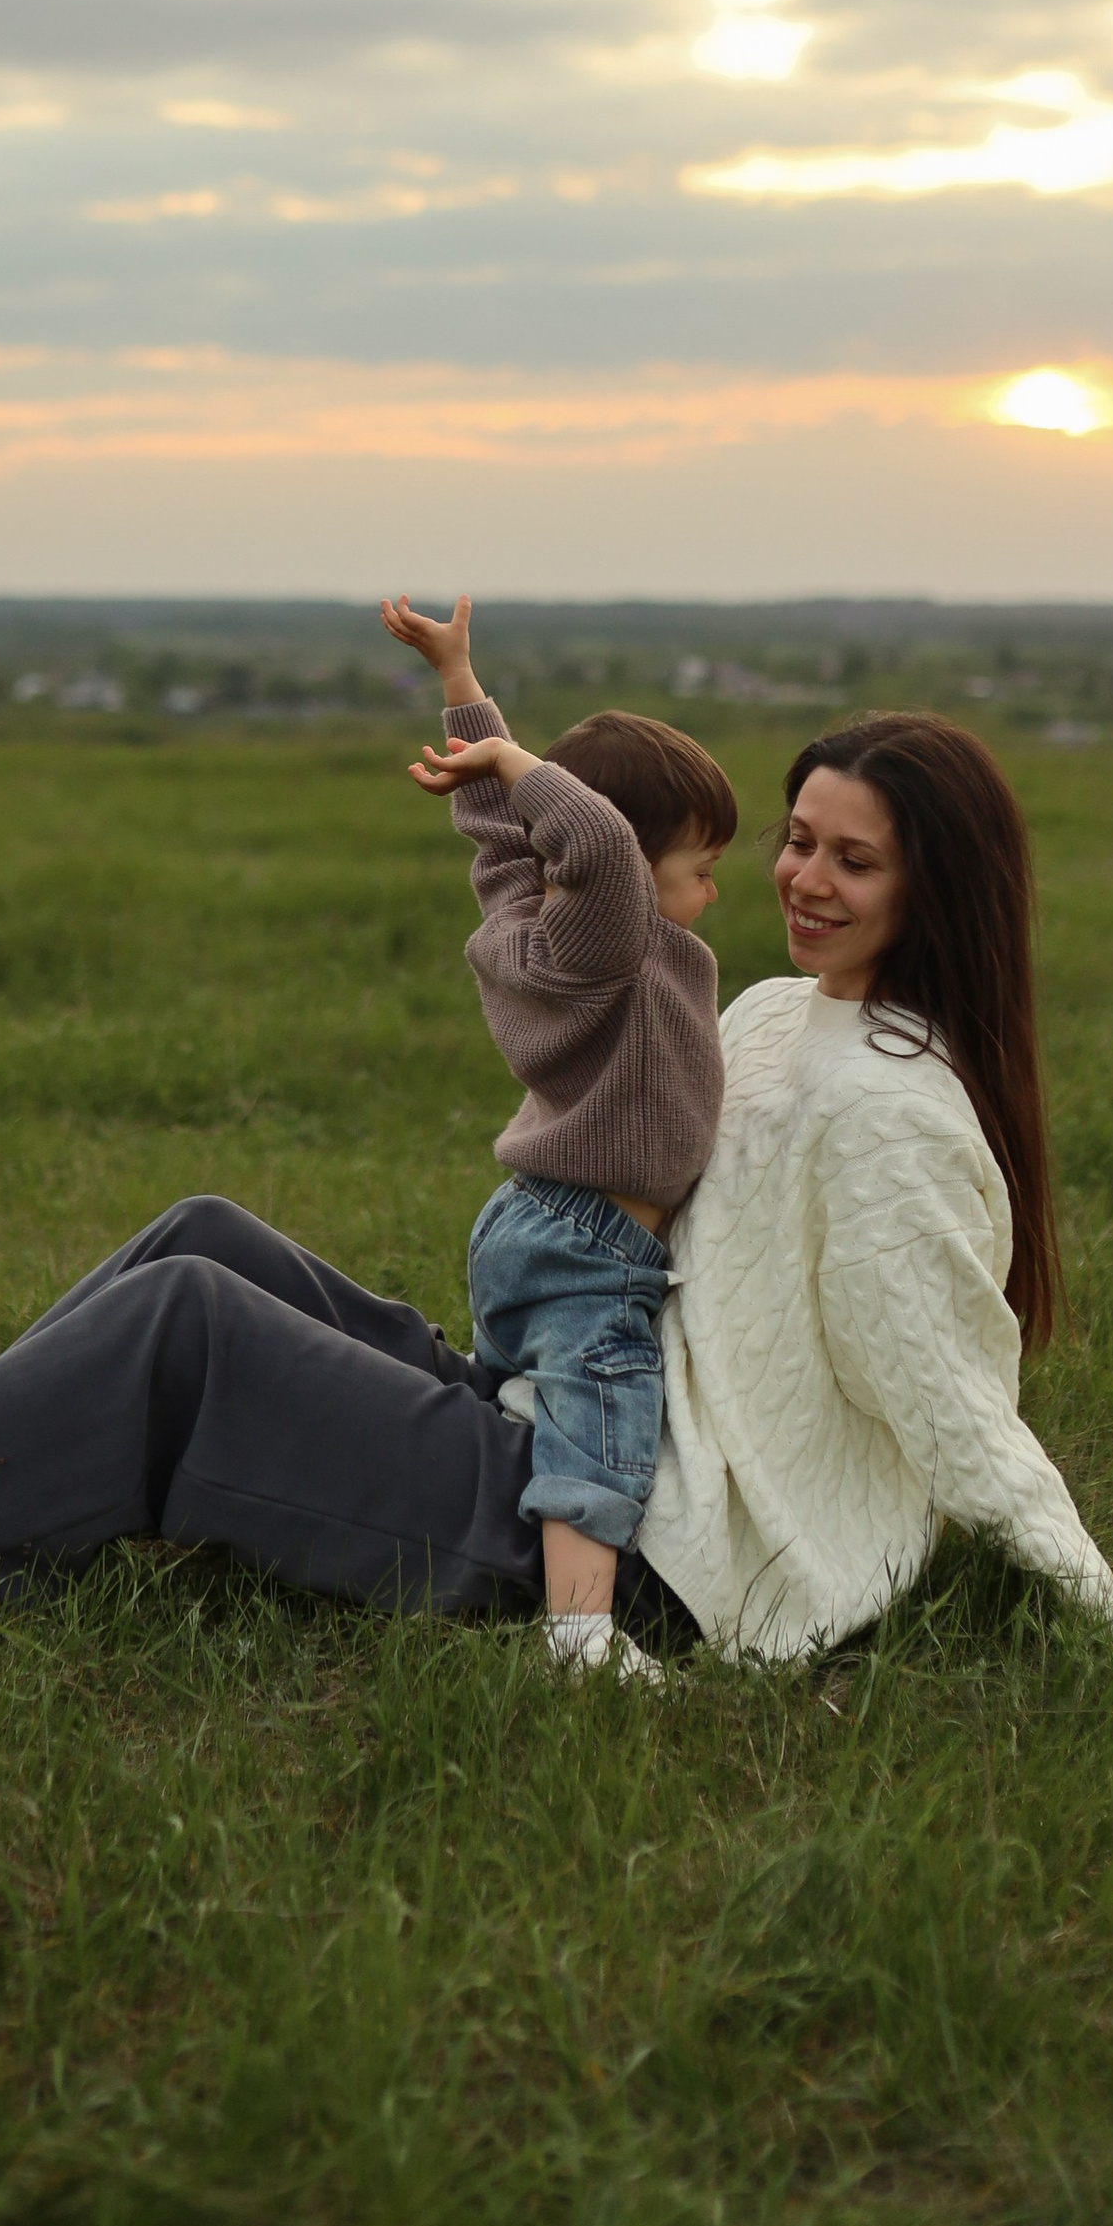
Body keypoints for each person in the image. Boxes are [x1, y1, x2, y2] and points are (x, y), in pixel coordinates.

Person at [0, 705, 1113, 1670]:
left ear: (934, 890)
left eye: (847, 858)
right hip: (571, 1415)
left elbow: (951, 1396)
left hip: (637, 1552)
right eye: (793, 838)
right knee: (208, 1235)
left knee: (189, 1329)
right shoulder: (781, 1014)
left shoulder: (902, 1118)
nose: (798, 876)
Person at [382, 589, 733, 1685]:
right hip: (593, 1245)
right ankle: (580, 1635)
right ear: (629, 867)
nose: (714, 888)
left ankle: (474, 1547)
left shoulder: (520, 911)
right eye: (698, 868)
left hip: (533, 1219)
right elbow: (593, 845)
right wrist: (524, 760)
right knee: (597, 1420)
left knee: (520, 1413)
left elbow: (503, 832)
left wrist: (463, 695)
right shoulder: (602, 940)